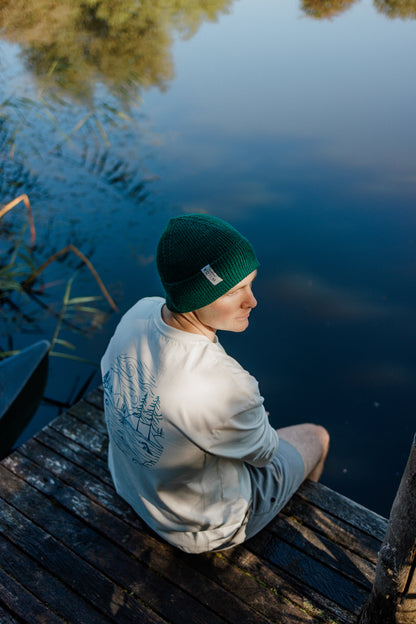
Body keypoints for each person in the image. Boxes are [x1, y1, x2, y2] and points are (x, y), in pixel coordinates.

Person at [101, 213, 329, 554]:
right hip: (200, 530)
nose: (252, 301)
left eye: (251, 284)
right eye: (236, 290)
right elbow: (265, 454)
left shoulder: (139, 313)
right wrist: (254, 416)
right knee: (317, 436)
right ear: (196, 295)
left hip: (130, 486)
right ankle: (306, 528)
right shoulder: (225, 385)